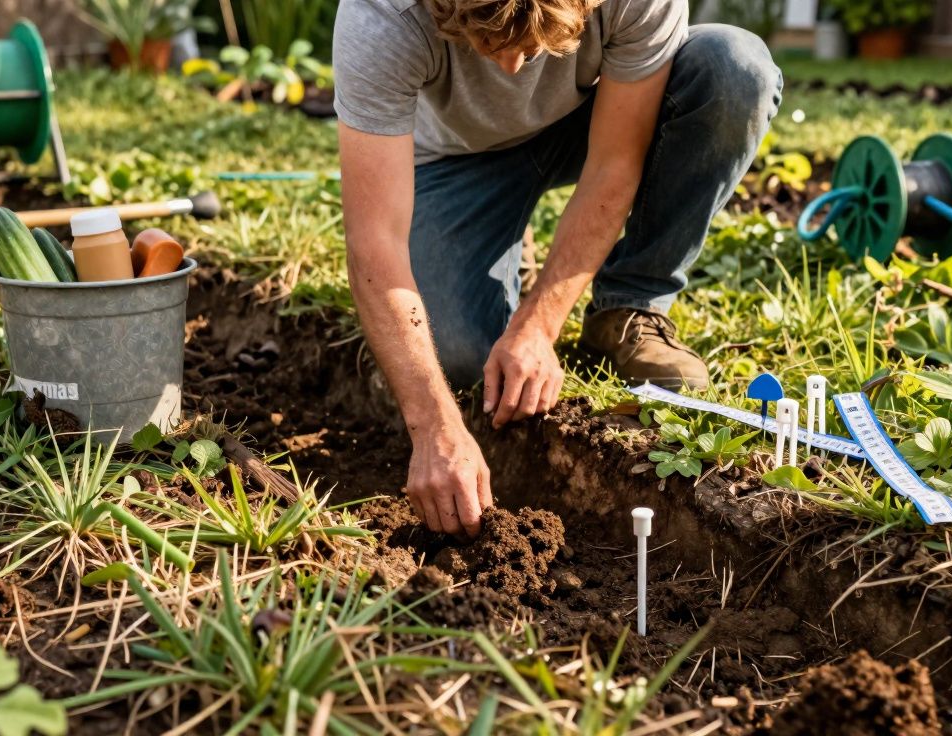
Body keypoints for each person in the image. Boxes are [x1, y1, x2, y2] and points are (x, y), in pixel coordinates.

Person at [333, 0, 781, 536]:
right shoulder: (383, 15)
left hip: (593, 113)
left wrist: (539, 326)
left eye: (531, 47)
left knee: (733, 68)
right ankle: (502, 235)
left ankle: (629, 306)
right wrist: (433, 427)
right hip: (457, 158)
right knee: (460, 358)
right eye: (488, 46)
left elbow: (614, 164)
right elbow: (374, 243)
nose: (513, 70)